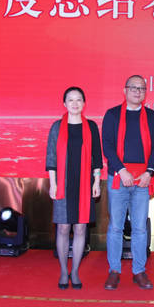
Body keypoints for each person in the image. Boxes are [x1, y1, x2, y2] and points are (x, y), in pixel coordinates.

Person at [101, 75, 154, 290]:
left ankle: (139, 271)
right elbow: (107, 145)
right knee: (116, 227)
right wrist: (121, 170)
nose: (138, 92)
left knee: (139, 228)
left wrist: (149, 172)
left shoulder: (152, 116)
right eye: (134, 88)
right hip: (119, 177)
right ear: (125, 90)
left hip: (142, 180)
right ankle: (114, 271)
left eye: (142, 88)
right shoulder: (112, 114)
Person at [46, 86, 103, 290]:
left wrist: (96, 182)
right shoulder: (56, 127)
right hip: (63, 183)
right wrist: (53, 184)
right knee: (63, 227)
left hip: (84, 184)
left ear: (84, 103)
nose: (75, 103)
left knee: (80, 228)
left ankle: (76, 271)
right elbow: (51, 158)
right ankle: (63, 271)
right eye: (71, 100)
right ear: (64, 104)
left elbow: (97, 157)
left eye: (79, 99)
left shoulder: (91, 127)